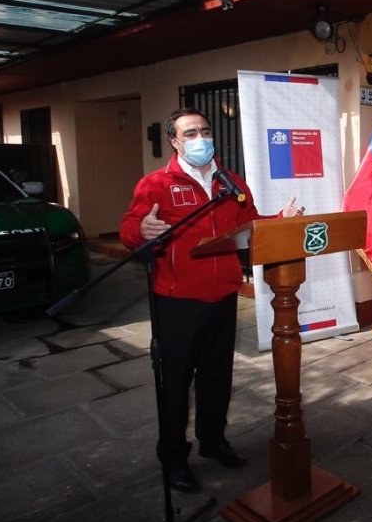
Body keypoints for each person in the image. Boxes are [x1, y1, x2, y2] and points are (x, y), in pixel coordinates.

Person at [120, 108, 302, 492]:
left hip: (223, 297)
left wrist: (280, 218)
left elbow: (250, 223)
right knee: (175, 383)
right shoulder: (156, 184)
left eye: (204, 131)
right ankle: (173, 457)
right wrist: (141, 230)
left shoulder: (230, 183)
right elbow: (130, 227)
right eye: (190, 133)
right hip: (177, 301)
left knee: (217, 376)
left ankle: (213, 440)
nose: (200, 138)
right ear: (174, 141)